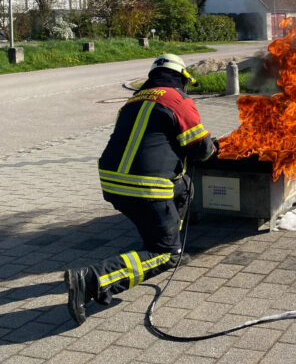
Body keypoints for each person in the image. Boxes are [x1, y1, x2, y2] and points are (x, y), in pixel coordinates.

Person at [64, 53, 218, 326]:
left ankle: (166, 239)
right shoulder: (177, 99)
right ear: (182, 78)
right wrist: (212, 145)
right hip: (145, 187)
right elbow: (201, 150)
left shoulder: (132, 101)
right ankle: (93, 280)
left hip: (112, 182)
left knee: (185, 189)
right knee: (164, 254)